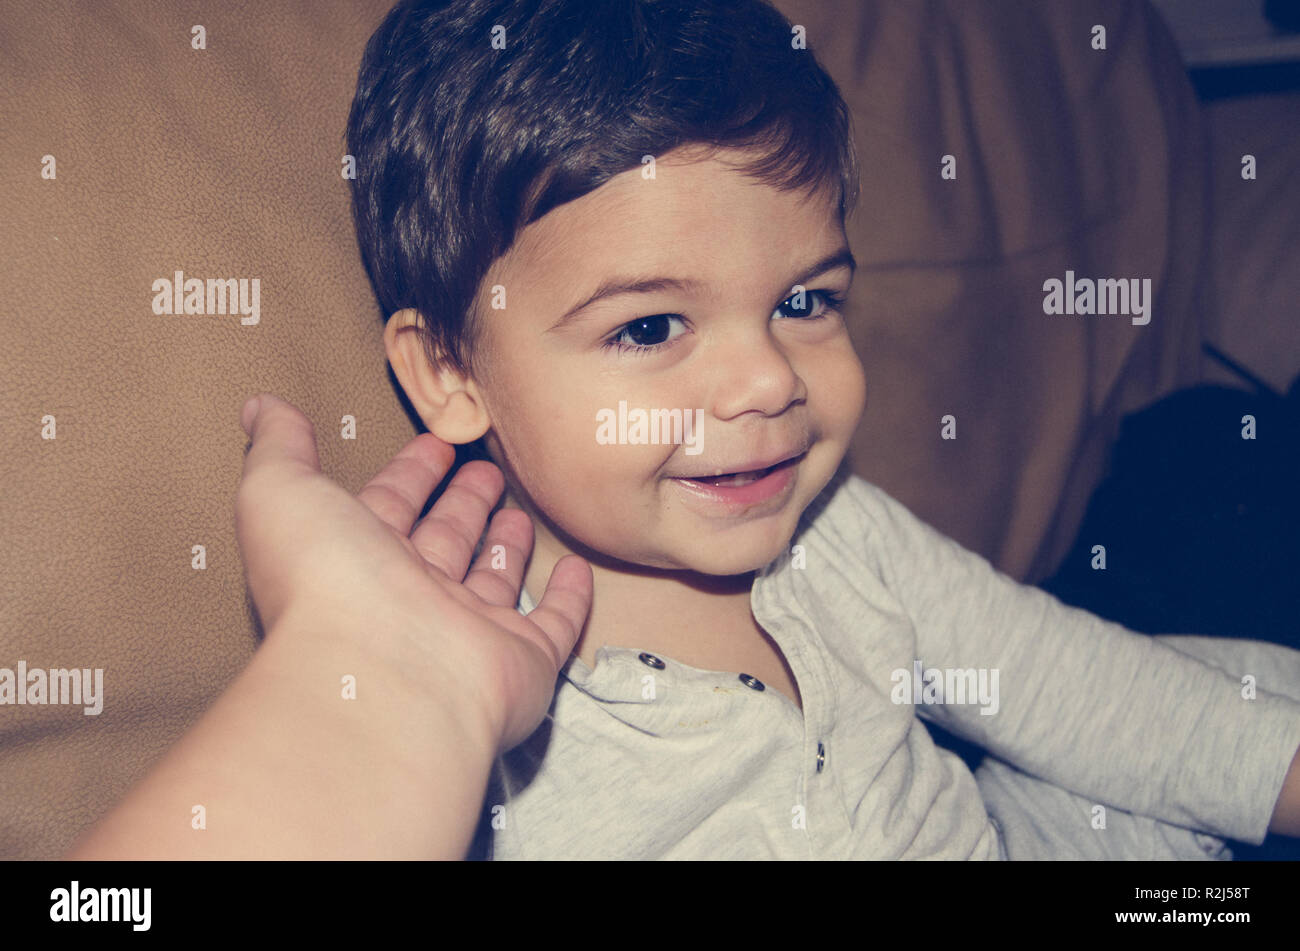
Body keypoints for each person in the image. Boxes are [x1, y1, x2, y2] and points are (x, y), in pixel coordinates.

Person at [69, 0, 1300, 860]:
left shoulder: (840, 537)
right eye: (652, 329)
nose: (769, 379)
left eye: (805, 302)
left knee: (1217, 690)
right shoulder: (470, 715)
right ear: (449, 372)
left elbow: (1086, 692)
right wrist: (386, 697)